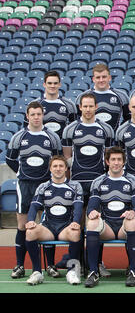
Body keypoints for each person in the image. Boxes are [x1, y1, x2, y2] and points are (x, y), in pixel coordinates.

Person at [6, 101, 62, 279]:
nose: (36, 117)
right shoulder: (19, 137)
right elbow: (11, 160)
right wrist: (23, 173)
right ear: (27, 116)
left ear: (42, 115)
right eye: (33, 114)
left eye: (39, 114)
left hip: (46, 185)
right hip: (25, 185)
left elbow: (57, 158)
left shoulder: (52, 137)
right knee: (23, 225)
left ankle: (50, 265)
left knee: (48, 225)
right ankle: (20, 265)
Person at [62, 93, 115, 276]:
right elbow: (67, 158)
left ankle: (97, 263)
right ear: (80, 107)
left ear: (96, 107)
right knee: (76, 224)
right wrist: (68, 182)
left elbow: (109, 158)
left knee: (95, 224)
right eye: (84, 106)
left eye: (91, 106)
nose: (88, 109)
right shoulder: (70, 129)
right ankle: (75, 266)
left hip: (98, 184)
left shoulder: (106, 129)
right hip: (77, 183)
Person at [84, 146, 135, 288]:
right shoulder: (98, 181)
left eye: (119, 160)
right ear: (107, 162)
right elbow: (91, 206)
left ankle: (133, 271)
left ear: (124, 162)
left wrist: (132, 212)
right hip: (108, 227)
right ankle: (93, 272)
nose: (116, 163)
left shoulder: (133, 181)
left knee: (132, 222)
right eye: (113, 160)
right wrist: (92, 212)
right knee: (92, 223)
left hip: (124, 225)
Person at [24, 155, 84, 285]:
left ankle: (72, 271)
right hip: (48, 227)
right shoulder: (43, 187)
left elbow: (78, 207)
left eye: (61, 166)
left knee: (75, 232)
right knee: (30, 232)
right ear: (50, 169)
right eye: (55, 166)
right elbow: (34, 206)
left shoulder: (75, 186)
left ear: (66, 168)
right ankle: (37, 272)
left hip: (66, 226)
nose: (58, 169)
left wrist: (75, 222)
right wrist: (30, 220)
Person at [76, 63, 130, 131]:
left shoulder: (122, 96)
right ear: (93, 79)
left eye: (104, 77)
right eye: (98, 77)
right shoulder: (82, 97)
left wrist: (118, 133)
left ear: (109, 78)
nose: (101, 80)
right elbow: (77, 121)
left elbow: (128, 119)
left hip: (113, 140)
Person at [25, 70, 78, 139]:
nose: (52, 86)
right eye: (49, 83)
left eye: (55, 83)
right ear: (44, 84)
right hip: (42, 144)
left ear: (59, 84)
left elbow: (74, 128)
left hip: (62, 145)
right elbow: (27, 128)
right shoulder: (34, 105)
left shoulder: (69, 105)